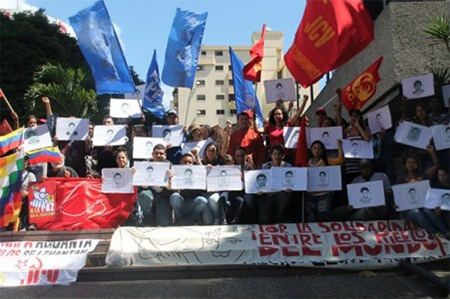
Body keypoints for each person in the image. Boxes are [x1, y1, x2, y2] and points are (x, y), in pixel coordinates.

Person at [169, 153, 209, 225]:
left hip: (193, 203)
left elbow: (205, 186)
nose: (187, 164)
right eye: (185, 162)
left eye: (190, 162)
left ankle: (191, 219)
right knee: (174, 196)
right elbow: (170, 189)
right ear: (180, 163)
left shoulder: (197, 174)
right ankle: (179, 219)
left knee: (203, 200)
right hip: (181, 202)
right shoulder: (174, 173)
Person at [258, 144, 293, 224]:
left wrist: (291, 188)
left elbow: (292, 180)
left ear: (283, 156)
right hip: (268, 195)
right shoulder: (265, 167)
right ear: (271, 155)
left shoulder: (288, 166)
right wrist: (260, 190)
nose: (277, 156)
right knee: (264, 220)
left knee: (283, 196)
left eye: (279, 154)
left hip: (282, 194)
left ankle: (279, 219)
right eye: (275, 154)